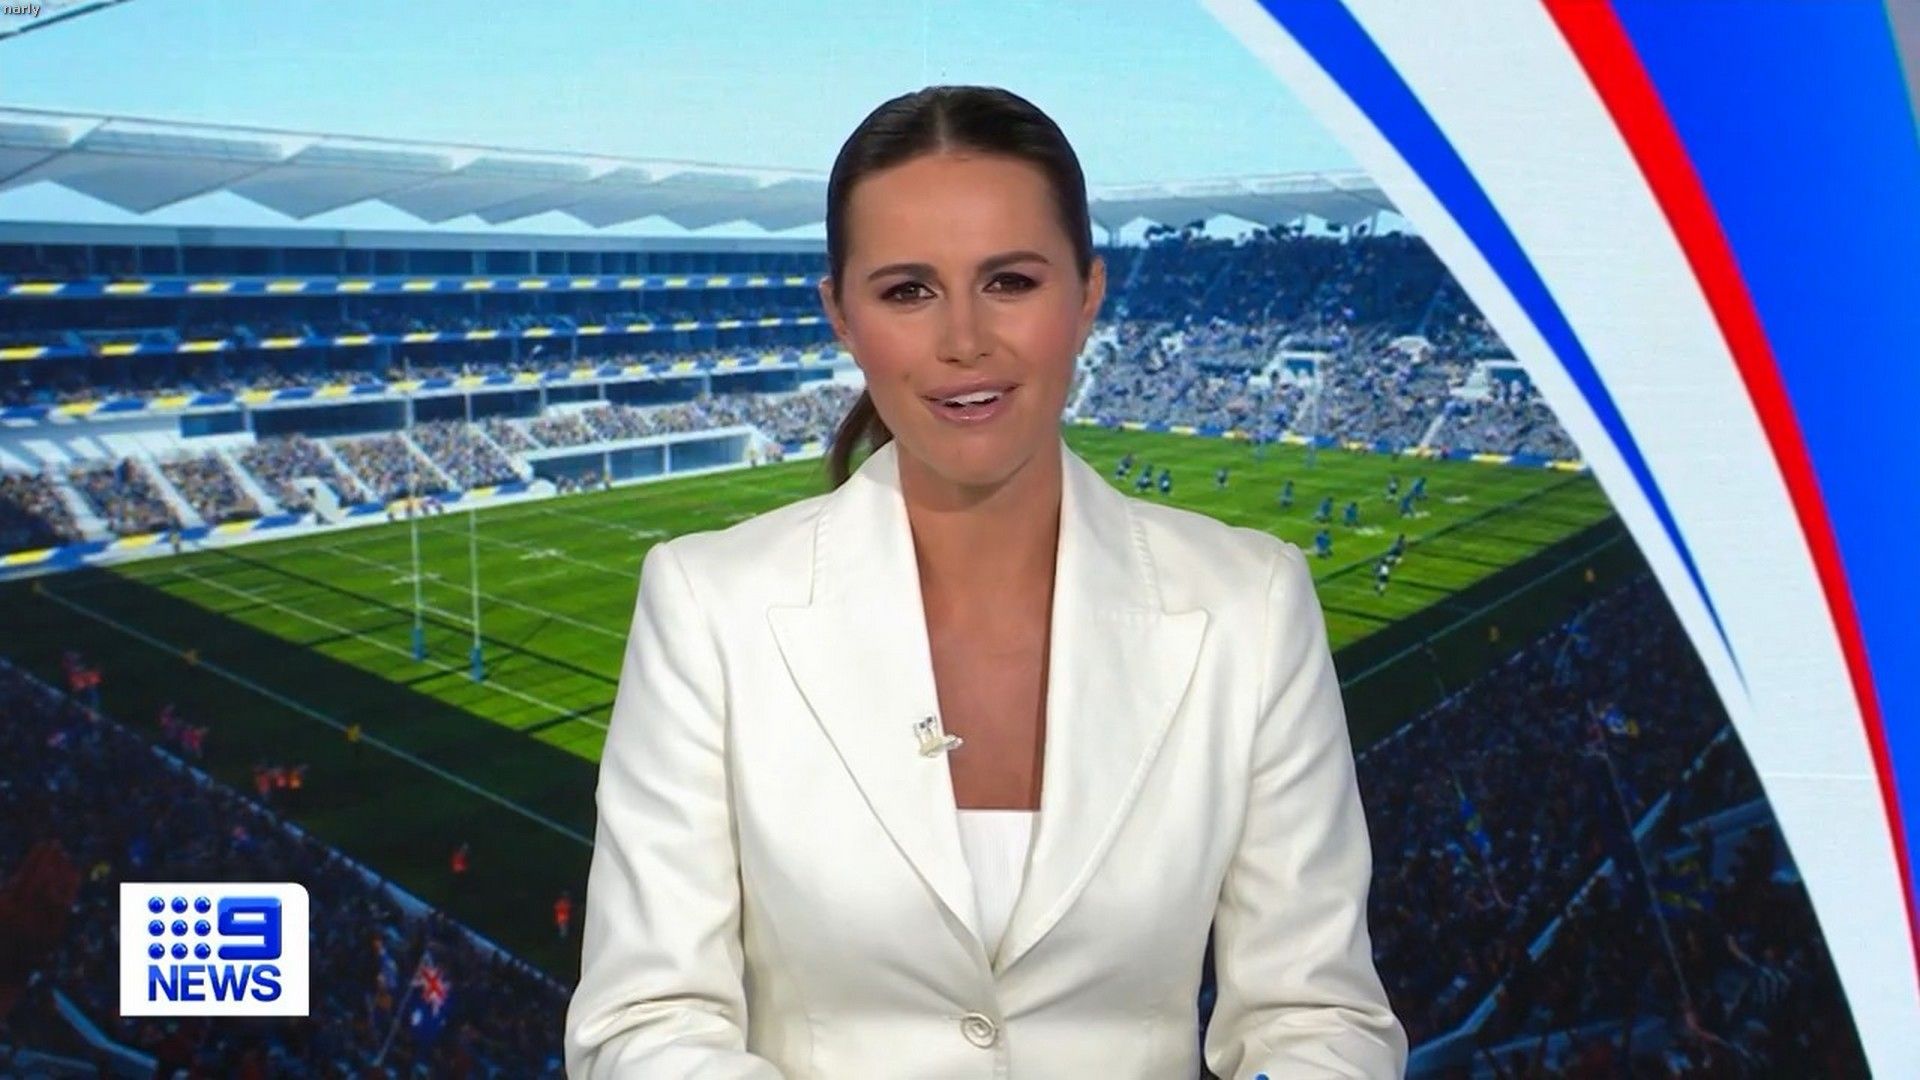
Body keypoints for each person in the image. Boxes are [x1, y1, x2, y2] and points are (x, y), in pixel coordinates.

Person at [565, 85, 1404, 1080]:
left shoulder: (1250, 606)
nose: (964, 338)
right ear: (840, 315)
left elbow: (1319, 1018)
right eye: (907, 291)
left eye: (1009, 281)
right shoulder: (708, 606)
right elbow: (646, 1021)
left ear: (1087, 296)